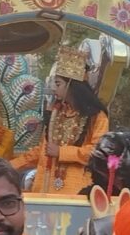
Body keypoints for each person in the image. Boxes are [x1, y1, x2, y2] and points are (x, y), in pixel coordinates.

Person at [13, 47, 109, 194]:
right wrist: (12, 165)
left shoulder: (96, 116)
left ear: (72, 86)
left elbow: (98, 153)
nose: (53, 89)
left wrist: (61, 152)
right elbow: (42, 150)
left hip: (75, 191)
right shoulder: (55, 113)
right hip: (44, 186)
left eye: (58, 84)